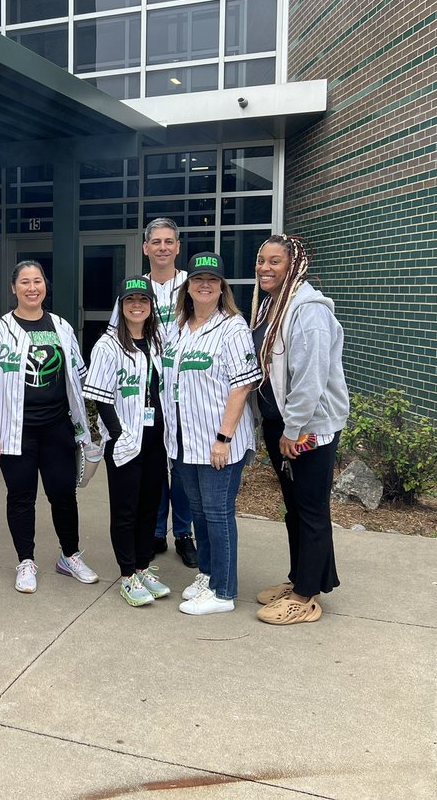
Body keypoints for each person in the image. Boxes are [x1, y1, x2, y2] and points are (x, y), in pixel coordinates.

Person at [0, 260, 99, 594]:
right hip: (16, 430)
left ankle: (69, 555)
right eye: (25, 282)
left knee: (63, 494)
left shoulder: (61, 326)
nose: (32, 288)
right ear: (13, 288)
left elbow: (78, 377)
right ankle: (25, 561)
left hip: (57, 427)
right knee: (21, 497)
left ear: (45, 285)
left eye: (38, 281)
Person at [250, 235, 349, 625]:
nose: (264, 268)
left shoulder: (308, 312)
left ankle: (305, 598)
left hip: (308, 427)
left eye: (275, 261)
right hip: (283, 424)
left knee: (309, 510)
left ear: (294, 265)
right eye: (261, 261)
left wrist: (294, 428)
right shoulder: (274, 305)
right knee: (296, 508)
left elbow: (310, 378)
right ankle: (302, 580)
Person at [162, 253, 261, 615]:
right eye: (198, 278)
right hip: (183, 442)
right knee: (199, 514)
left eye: (213, 280)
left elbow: (242, 385)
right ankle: (207, 574)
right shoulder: (177, 327)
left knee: (218, 513)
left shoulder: (232, 327)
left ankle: (224, 592)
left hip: (217, 441)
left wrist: (224, 437)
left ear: (222, 288)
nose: (205, 285)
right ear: (187, 286)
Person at [110, 217, 197, 568]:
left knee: (184, 465)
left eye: (169, 241)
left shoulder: (193, 286)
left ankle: (184, 533)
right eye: (155, 241)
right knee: (153, 467)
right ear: (145, 248)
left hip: (186, 391)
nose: (162, 247)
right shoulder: (134, 288)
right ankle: (156, 531)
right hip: (146, 395)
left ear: (177, 247)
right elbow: (117, 338)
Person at [84, 277, 171, 607]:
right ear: (121, 306)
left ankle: (143, 566)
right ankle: (127, 574)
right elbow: (99, 398)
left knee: (150, 505)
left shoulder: (157, 341)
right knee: (126, 509)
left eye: (143, 300)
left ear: (151, 307)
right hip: (125, 439)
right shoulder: (108, 345)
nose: (137, 305)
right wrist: (119, 435)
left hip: (155, 439)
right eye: (130, 300)